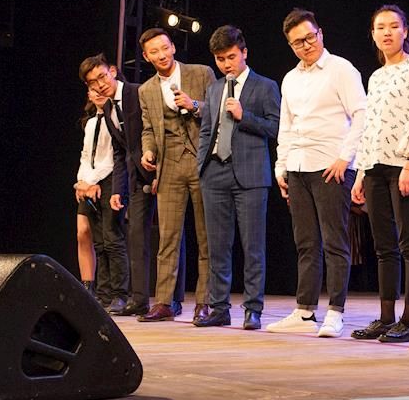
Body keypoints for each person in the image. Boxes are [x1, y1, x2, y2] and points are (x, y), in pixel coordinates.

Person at [267, 8, 366, 338]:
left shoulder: (341, 69)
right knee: (306, 243)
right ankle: (304, 310)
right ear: (290, 45)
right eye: (298, 42)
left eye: (310, 37)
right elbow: (286, 126)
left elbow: (362, 114)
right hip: (298, 166)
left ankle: (335, 311)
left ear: (320, 33)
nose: (306, 45)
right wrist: (281, 166)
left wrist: (345, 158)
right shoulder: (290, 79)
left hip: (330, 167)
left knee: (335, 242)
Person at [350, 5, 409, 343]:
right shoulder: (376, 77)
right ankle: (386, 317)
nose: (387, 32)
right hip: (374, 166)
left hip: (404, 164)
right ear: (373, 35)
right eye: (380, 27)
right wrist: (359, 173)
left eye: (393, 26)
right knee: (384, 246)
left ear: (405, 31)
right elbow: (370, 126)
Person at [81, 53, 185, 317]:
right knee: (136, 236)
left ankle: (173, 298)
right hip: (137, 178)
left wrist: (161, 167)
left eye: (102, 77)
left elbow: (160, 129)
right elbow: (121, 151)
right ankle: (138, 299)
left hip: (163, 170)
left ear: (113, 71)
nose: (100, 85)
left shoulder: (138, 92)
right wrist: (119, 190)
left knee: (171, 236)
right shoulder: (106, 109)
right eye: (93, 83)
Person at [196, 25, 281, 330]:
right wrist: (201, 166)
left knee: (252, 246)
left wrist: (246, 116)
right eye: (220, 59)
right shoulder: (214, 89)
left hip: (251, 174)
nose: (226, 64)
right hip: (214, 173)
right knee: (218, 246)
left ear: (244, 53)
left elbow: (276, 128)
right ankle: (219, 307)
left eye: (231, 57)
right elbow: (207, 130)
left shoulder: (265, 86)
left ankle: (253, 309)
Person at [137, 28, 215, 323]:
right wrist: (148, 151)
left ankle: (204, 302)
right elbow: (148, 128)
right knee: (168, 237)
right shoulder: (146, 90)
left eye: (164, 48)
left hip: (201, 162)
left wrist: (194, 105)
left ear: (173, 47)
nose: (161, 55)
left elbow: (218, 111)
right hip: (169, 166)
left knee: (206, 237)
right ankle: (164, 302)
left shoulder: (201, 73)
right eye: (153, 52)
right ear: (146, 57)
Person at [73, 85, 129, 311]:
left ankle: (119, 293)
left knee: (112, 238)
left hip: (109, 180)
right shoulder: (90, 123)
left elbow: (113, 157)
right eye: (92, 89)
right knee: (99, 241)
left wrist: (92, 181)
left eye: (100, 88)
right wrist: (81, 182)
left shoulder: (114, 118)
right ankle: (102, 293)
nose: (97, 93)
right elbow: (86, 156)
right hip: (90, 183)